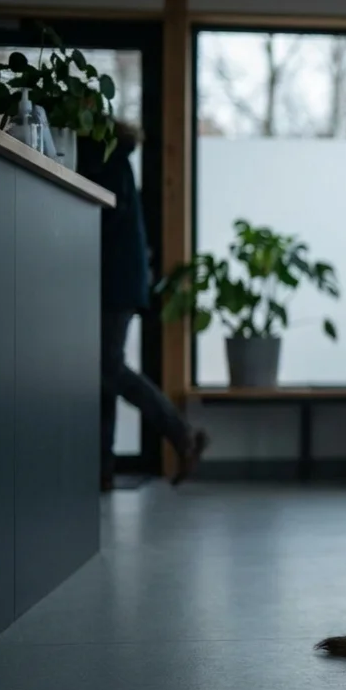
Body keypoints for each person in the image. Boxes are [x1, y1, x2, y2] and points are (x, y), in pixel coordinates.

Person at [79, 121, 208, 492]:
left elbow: (101, 220)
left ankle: (183, 434)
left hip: (113, 282)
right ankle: (101, 469)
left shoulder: (103, 160)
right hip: (119, 280)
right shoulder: (114, 158)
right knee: (101, 372)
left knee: (108, 367)